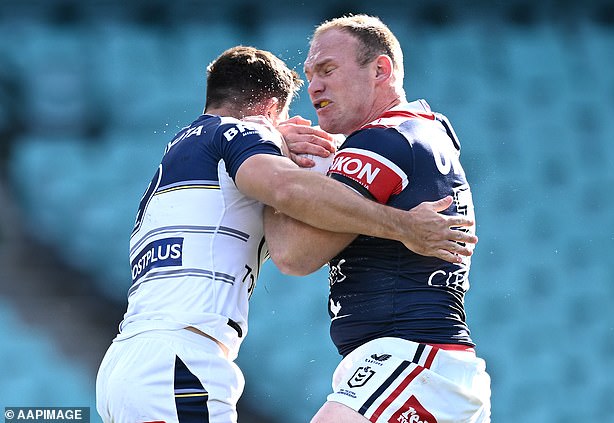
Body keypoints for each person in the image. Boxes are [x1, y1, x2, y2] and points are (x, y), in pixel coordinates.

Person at [95, 45, 477, 423]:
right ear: (270, 109)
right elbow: (286, 192)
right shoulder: (237, 135)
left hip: (126, 362)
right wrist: (403, 224)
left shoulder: (181, 151)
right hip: (181, 359)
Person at [264, 15, 492, 422]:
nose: (314, 86)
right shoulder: (421, 129)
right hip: (430, 365)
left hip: (411, 360)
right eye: (310, 74)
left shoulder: (382, 138)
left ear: (380, 70)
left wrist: (270, 169)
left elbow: (294, 254)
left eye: (328, 70)